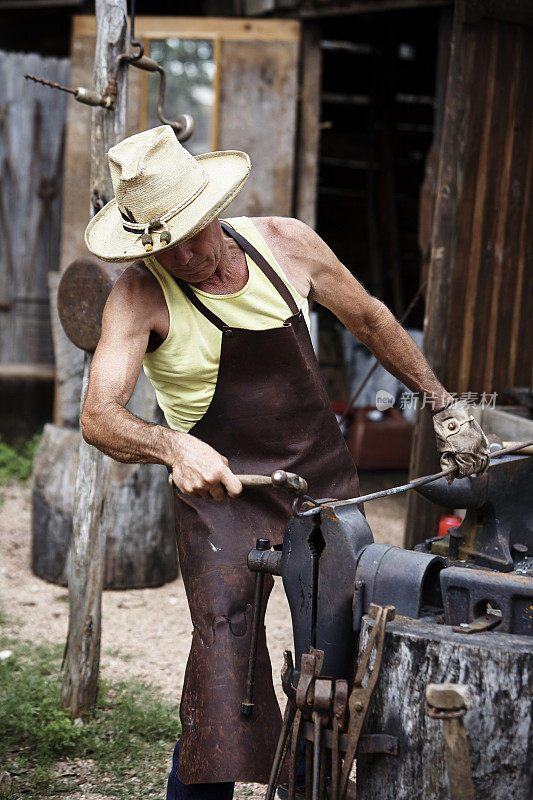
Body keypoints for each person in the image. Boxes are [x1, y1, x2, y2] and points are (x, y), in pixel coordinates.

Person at [82, 125, 489, 798]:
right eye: (165, 245)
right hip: (221, 502)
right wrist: (172, 444)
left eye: (196, 234)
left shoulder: (286, 243)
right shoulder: (138, 294)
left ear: (214, 211)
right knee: (221, 677)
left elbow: (373, 322)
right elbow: (99, 417)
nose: (186, 255)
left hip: (319, 486)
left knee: (330, 674)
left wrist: (441, 405)